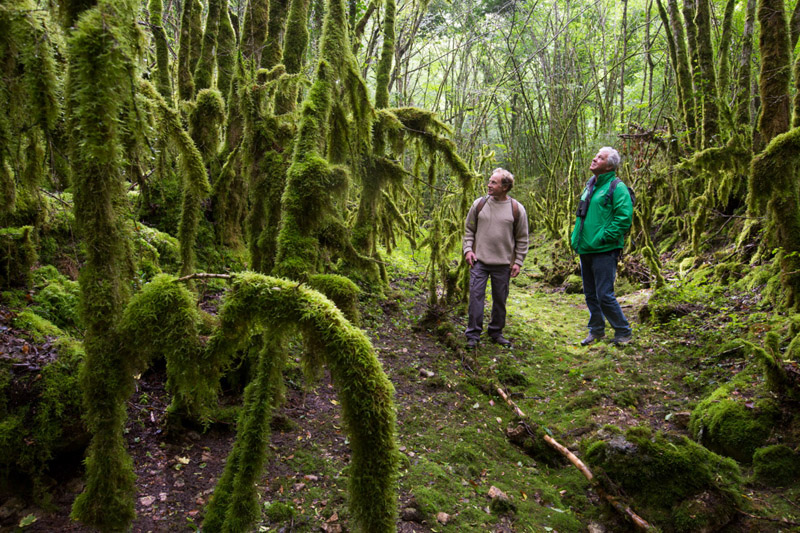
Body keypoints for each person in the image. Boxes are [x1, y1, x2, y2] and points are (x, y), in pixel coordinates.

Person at [570, 147, 634, 346]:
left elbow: (624, 218)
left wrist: (604, 238)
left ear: (609, 165)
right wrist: (576, 240)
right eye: (596, 155)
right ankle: (596, 331)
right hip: (586, 249)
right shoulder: (590, 186)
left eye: (600, 157)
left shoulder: (617, 187)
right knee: (590, 294)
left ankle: (623, 332)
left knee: (604, 294)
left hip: (604, 250)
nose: (594, 159)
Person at [463, 168, 529, 349]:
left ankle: (496, 332)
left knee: (500, 299)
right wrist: (468, 250)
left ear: (505, 187)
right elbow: (469, 230)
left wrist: (518, 261)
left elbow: (522, 238)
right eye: (489, 181)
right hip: (479, 262)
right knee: (476, 297)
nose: (489, 185)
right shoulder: (479, 204)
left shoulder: (517, 209)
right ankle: (473, 335)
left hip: (504, 264)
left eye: (493, 182)